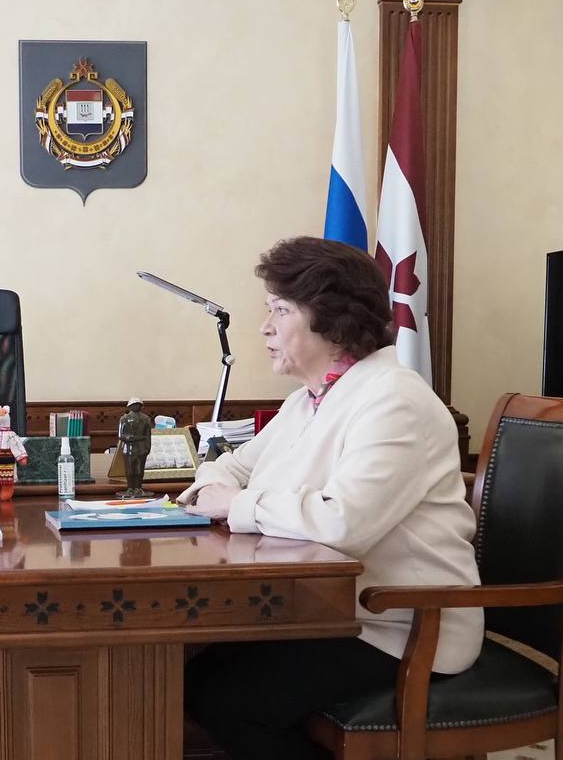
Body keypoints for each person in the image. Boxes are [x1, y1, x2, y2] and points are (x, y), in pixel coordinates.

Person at [176, 236, 482, 760]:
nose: (265, 327)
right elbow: (231, 467)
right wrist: (214, 488)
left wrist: (235, 504)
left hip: (404, 627)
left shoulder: (394, 400)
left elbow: (342, 524)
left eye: (280, 310)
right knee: (192, 672)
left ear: (333, 319)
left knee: (227, 699)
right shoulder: (310, 399)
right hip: (331, 609)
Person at [115, 397, 153, 497]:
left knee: (139, 470)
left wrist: (147, 448)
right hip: (128, 448)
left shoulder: (146, 419)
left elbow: (148, 435)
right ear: (129, 406)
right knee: (129, 470)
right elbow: (121, 435)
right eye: (134, 405)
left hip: (141, 448)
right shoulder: (124, 419)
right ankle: (130, 488)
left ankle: (138, 488)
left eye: (138, 404)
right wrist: (132, 438)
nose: (136, 406)